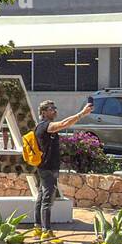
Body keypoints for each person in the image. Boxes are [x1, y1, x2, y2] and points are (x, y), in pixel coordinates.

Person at [33, 98, 92, 235]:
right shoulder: (45, 126)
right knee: (47, 199)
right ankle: (46, 230)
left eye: (55, 108)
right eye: (50, 109)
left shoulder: (43, 126)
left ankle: (38, 227)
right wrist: (81, 114)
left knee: (42, 196)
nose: (54, 111)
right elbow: (64, 123)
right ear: (43, 112)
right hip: (48, 167)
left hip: (45, 166)